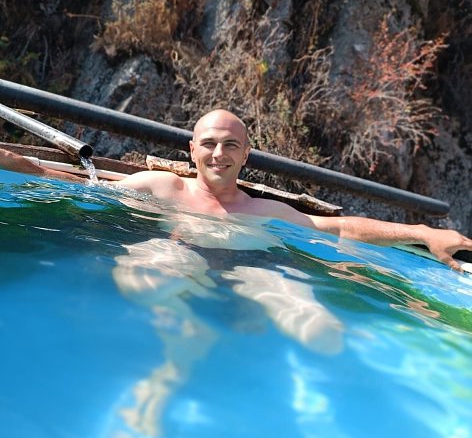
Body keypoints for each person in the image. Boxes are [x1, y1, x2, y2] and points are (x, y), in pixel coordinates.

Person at [1, 108, 471, 270]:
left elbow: (341, 228)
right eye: (208, 144)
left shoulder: (263, 211)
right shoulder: (160, 187)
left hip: (238, 279)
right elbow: (78, 186)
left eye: (230, 145)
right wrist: (15, 164)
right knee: (167, 268)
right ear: (192, 151)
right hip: (166, 267)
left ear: (247, 154)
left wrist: (421, 232)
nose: (218, 154)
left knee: (314, 325)